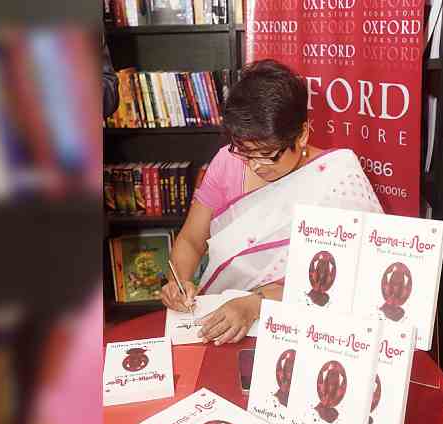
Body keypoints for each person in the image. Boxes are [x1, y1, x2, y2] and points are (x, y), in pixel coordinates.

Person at [160, 59, 383, 346]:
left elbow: (352, 278)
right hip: (220, 323)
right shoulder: (228, 162)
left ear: (301, 134)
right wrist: (178, 282)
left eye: (267, 154)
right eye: (244, 152)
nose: (254, 166)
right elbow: (192, 239)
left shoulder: (338, 180)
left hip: (304, 333)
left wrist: (255, 305)